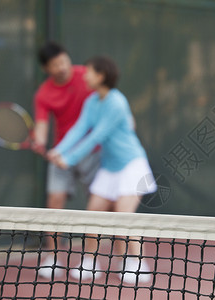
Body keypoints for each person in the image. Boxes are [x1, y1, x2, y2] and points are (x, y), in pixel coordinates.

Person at [47, 56, 157, 283]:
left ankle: (136, 262)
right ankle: (90, 261)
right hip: (109, 167)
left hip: (132, 166)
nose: (84, 75)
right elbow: (79, 130)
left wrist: (70, 159)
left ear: (101, 75)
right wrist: (59, 151)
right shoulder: (92, 102)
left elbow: (98, 135)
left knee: (124, 217)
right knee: (93, 214)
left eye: (88, 72)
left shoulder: (117, 103)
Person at [33, 42, 100, 279]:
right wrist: (40, 141)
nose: (61, 67)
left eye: (63, 61)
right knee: (54, 201)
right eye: (55, 65)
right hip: (62, 153)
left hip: (94, 150)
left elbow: (107, 101)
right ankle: (53, 258)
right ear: (46, 68)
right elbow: (41, 125)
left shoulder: (87, 77)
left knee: (96, 204)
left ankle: (91, 260)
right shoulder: (44, 93)